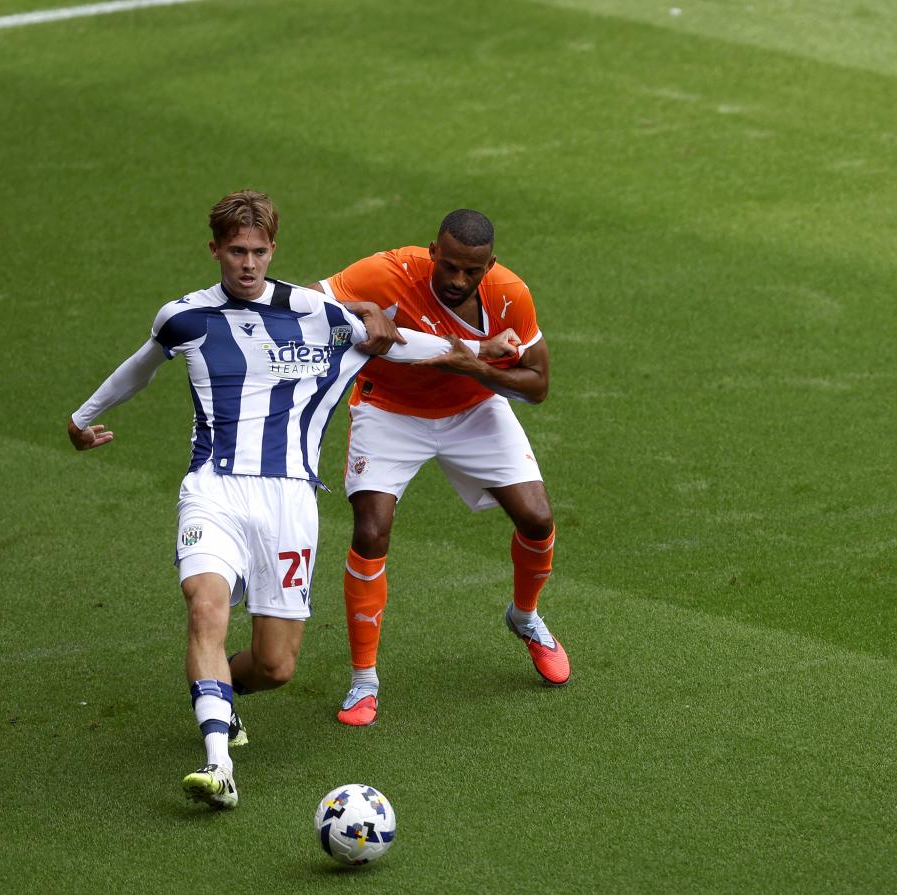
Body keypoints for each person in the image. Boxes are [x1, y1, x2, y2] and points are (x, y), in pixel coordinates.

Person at [67, 190, 518, 809]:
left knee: (276, 667)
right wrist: (82, 418)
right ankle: (219, 765)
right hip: (214, 487)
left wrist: (475, 354)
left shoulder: (317, 312)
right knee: (206, 606)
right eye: (235, 252)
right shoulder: (183, 317)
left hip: (291, 502)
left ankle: (219, 687)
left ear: (272, 250)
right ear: (216, 251)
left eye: (257, 252)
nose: (247, 265)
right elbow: (141, 367)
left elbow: (398, 341)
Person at [314, 209, 567, 729]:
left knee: (537, 519)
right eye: (447, 265)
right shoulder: (387, 272)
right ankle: (364, 680)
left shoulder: (509, 294)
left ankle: (525, 616)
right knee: (370, 530)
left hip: (473, 408)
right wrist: (360, 307)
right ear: (432, 251)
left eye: (470, 271)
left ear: (488, 266)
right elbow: (303, 301)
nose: (456, 280)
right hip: (388, 409)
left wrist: (475, 366)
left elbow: (538, 386)